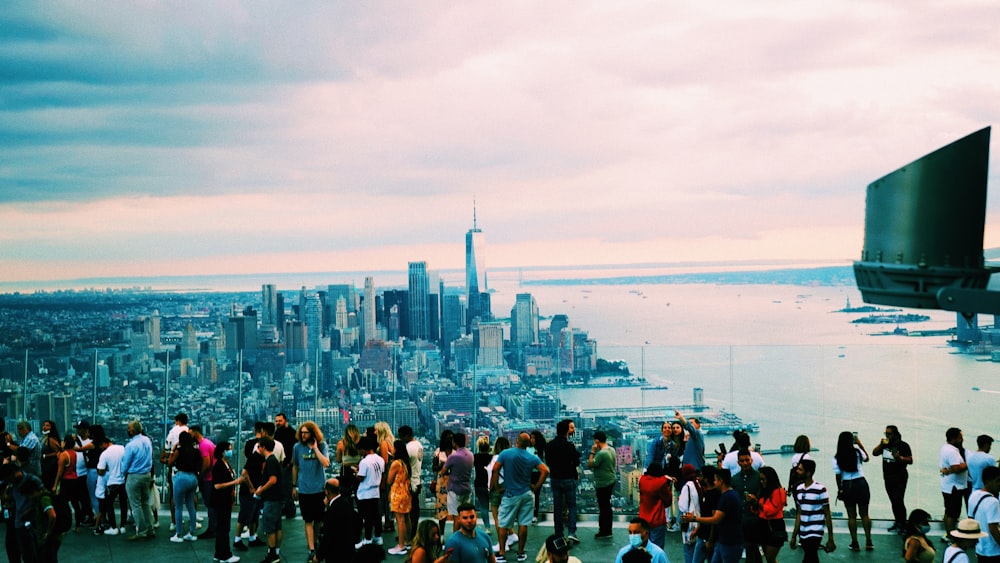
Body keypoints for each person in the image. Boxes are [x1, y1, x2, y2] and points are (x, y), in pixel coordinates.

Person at [492, 432, 548, 563]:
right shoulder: (531, 457)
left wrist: (497, 487)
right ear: (528, 444)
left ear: (516, 441)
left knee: (503, 523)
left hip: (510, 494)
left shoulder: (505, 454)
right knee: (523, 524)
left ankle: (501, 553)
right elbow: (545, 470)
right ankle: (521, 553)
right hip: (527, 494)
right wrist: (536, 486)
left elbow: (495, 469)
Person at [683, 467, 742, 563]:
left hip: (729, 541)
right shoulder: (727, 495)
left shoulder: (727, 497)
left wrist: (694, 518)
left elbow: (715, 519)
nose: (714, 482)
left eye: (715, 480)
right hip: (723, 540)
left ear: (721, 481)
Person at [293, 420, 332, 561]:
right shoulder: (297, 447)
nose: (303, 435)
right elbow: (295, 466)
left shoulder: (322, 446)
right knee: (307, 519)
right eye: (301, 432)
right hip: (304, 489)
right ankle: (311, 547)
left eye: (306, 432)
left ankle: (314, 541)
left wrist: (315, 448)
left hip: (319, 488)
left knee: (318, 520)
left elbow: (326, 463)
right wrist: (293, 485)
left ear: (312, 433)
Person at [832, 430, 872, 551]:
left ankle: (855, 543)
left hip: (848, 486)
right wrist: (860, 444)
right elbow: (867, 458)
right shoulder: (858, 452)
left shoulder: (837, 457)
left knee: (852, 516)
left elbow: (838, 475)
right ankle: (869, 541)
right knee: (865, 514)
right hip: (861, 483)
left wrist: (840, 489)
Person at [789, 459, 836, 562]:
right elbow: (799, 514)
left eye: (800, 470)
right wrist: (794, 536)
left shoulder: (820, 489)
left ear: (808, 473)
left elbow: (827, 514)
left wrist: (831, 538)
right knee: (812, 557)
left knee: (809, 556)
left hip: (815, 531)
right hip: (803, 532)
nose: (797, 471)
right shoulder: (799, 489)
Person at [870, 424, 912, 533]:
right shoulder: (885, 445)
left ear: (895, 434)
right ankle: (897, 521)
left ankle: (903, 523)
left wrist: (900, 458)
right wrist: (881, 444)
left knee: (899, 499)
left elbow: (910, 460)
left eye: (890, 434)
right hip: (888, 477)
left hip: (900, 476)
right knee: (893, 501)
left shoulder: (903, 445)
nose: (888, 436)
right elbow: (874, 453)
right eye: (886, 433)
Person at [545, 419, 581, 543]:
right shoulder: (569, 446)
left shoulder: (549, 445)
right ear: (566, 430)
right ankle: (571, 532)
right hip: (568, 478)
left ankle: (558, 533)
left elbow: (548, 462)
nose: (574, 430)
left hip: (555, 478)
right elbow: (577, 462)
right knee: (571, 505)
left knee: (557, 507)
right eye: (571, 428)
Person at [121, 419, 155, 540]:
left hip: (134, 476)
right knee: (145, 503)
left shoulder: (130, 445)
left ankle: (141, 531)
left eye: (129, 428)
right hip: (146, 475)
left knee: (135, 505)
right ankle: (150, 528)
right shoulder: (147, 440)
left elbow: (125, 463)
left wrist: (122, 474)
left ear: (133, 430)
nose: (127, 430)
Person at [313, 478, 359, 562]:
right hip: (349, 551)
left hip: (335, 554)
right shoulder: (347, 504)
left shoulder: (331, 511)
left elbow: (327, 537)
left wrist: (319, 556)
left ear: (327, 492)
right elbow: (357, 522)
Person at [254, 436, 285, 563]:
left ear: (263, 447)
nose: (258, 448)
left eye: (259, 446)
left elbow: (273, 480)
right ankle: (276, 552)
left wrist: (261, 490)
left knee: (269, 527)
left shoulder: (270, 461)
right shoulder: (274, 460)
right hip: (277, 498)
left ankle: (272, 554)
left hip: (271, 499)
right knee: (277, 526)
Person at [211, 441, 242, 563]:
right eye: (228, 449)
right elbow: (217, 486)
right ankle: (225, 554)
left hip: (225, 500)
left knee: (223, 527)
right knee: (223, 527)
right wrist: (234, 483)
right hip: (221, 501)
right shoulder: (218, 466)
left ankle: (219, 553)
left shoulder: (226, 464)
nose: (230, 451)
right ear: (222, 451)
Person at [748, 466, 787, 563]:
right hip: (763, 525)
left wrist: (757, 502)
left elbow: (771, 511)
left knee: (770, 558)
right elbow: (757, 511)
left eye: (763, 479)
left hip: (774, 526)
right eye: (760, 479)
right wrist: (753, 503)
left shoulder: (778, 491)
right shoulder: (764, 491)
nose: (761, 482)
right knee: (769, 558)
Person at [168, 430, 201, 542]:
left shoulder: (179, 451)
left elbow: (170, 463)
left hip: (181, 477)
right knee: (191, 506)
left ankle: (178, 534)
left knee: (178, 507)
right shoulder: (196, 451)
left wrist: (173, 450)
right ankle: (191, 532)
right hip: (193, 478)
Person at [731, 449, 762, 562]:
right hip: (740, 520)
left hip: (755, 520)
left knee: (751, 549)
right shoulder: (734, 479)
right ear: (738, 462)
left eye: (747, 460)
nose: (745, 463)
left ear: (751, 460)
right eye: (742, 461)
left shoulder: (759, 477)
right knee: (750, 550)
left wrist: (756, 500)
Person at [941, 427, 971, 541]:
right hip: (954, 486)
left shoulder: (946, 448)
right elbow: (956, 468)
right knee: (953, 514)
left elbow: (952, 468)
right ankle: (951, 537)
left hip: (949, 486)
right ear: (953, 439)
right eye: (960, 437)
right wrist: (969, 463)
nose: (962, 439)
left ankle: (948, 534)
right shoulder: (952, 451)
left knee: (948, 511)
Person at [357, 435, 387, 546]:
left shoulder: (364, 462)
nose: (359, 452)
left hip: (365, 493)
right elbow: (382, 474)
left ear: (364, 449)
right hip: (376, 492)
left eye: (359, 450)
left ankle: (367, 539)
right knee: (376, 516)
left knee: (367, 517)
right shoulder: (380, 460)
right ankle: (378, 537)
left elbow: (361, 477)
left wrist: (356, 473)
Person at [96, 432, 128, 536]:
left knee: (109, 505)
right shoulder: (122, 448)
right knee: (123, 504)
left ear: (104, 444)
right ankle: (123, 526)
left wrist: (107, 470)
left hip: (112, 482)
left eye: (101, 446)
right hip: (123, 481)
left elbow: (100, 471)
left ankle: (113, 527)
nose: (101, 448)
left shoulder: (105, 454)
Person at [190, 424, 217, 539]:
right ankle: (214, 528)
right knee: (212, 505)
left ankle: (212, 529)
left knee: (210, 504)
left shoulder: (203, 446)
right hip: (212, 477)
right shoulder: (208, 442)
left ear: (196, 433)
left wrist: (200, 475)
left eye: (190, 433)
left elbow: (206, 463)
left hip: (208, 479)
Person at [968, 464, 1000, 561]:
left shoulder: (973, 495)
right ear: (988, 482)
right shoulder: (993, 501)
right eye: (998, 481)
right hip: (994, 551)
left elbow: (970, 520)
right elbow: (993, 528)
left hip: (980, 548)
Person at [588, 430, 617, 541]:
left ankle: (604, 530)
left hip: (603, 483)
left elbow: (590, 464)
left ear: (597, 441)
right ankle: (608, 529)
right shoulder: (612, 449)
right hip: (611, 480)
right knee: (607, 506)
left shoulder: (601, 453)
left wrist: (592, 452)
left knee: (603, 507)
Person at [399, 425, 424, 544]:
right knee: (415, 508)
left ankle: (409, 535)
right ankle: (413, 533)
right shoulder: (419, 445)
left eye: (402, 437)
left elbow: (403, 464)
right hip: (417, 480)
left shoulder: (408, 448)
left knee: (409, 511)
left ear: (406, 435)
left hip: (410, 482)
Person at [445, 433, 474, 532]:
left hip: (455, 489)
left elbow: (443, 471)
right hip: (467, 489)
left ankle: (456, 539)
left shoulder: (453, 456)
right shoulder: (470, 455)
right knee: (465, 515)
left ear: (454, 443)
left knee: (457, 518)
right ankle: (465, 536)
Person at [638, 462, 672, 548]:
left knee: (644, 547)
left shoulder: (642, 480)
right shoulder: (661, 483)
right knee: (657, 549)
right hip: (657, 519)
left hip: (643, 520)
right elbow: (668, 501)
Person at [388, 439, 413, 556]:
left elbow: (389, 480)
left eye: (393, 448)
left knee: (400, 520)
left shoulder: (395, 463)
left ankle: (401, 545)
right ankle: (408, 541)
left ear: (397, 450)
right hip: (406, 493)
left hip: (397, 494)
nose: (392, 450)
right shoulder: (405, 462)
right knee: (406, 518)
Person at [274, 413, 297, 519]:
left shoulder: (292, 433)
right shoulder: (277, 432)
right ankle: (285, 508)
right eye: (276, 421)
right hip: (280, 464)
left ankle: (290, 510)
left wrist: (290, 463)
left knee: (287, 488)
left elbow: (295, 450)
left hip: (288, 465)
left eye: (280, 421)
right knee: (282, 487)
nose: (278, 423)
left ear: (285, 420)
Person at [694, 465, 719, 563]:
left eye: (701, 476)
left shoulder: (714, 495)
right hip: (702, 535)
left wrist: (710, 540)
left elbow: (714, 519)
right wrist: (698, 529)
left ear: (707, 479)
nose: (699, 478)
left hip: (708, 537)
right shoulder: (706, 493)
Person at [375, 421, 397, 532]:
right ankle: (390, 522)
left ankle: (388, 523)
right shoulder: (391, 441)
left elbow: (383, 461)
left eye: (376, 430)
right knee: (390, 498)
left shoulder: (383, 443)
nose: (374, 432)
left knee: (384, 497)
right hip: (392, 473)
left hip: (386, 473)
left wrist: (382, 479)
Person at [676, 464, 701, 563]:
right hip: (699, 520)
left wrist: (679, 500)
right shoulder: (698, 483)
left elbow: (683, 507)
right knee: (697, 551)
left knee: (688, 550)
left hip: (689, 522)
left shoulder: (687, 487)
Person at [433, 430, 455, 534]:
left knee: (455, 508)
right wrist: (442, 466)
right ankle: (441, 533)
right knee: (442, 509)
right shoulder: (438, 452)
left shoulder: (456, 453)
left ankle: (457, 534)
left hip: (453, 482)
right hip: (441, 482)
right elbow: (434, 467)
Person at [337, 424, 363, 504]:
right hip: (359, 470)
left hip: (346, 472)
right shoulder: (360, 443)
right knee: (359, 496)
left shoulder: (341, 444)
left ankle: (348, 513)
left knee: (345, 497)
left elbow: (338, 460)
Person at [473, 436, 495, 534]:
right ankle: (500, 526)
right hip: (492, 484)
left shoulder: (475, 457)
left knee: (483, 506)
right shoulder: (492, 458)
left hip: (479, 484)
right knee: (495, 506)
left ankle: (487, 527)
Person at [528, 431, 547, 525]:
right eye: (531, 438)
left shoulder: (542, 450)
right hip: (528, 474)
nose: (532, 440)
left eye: (534, 438)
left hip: (538, 474)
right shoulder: (528, 449)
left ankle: (535, 515)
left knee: (536, 495)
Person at [786, 435, 812, 504]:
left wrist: (789, 489)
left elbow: (793, 471)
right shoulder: (807, 456)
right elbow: (807, 471)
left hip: (795, 484)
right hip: (804, 484)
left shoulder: (794, 457)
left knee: (798, 505)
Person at [39, 420, 63, 490]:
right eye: (44, 425)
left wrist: (45, 456)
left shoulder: (51, 439)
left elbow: (58, 452)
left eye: (47, 425)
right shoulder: (44, 437)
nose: (44, 427)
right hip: (44, 466)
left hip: (51, 467)